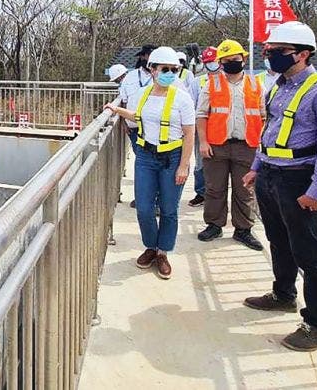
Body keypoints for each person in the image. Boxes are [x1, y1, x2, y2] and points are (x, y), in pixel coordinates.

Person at [241, 21, 317, 352]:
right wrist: (256, 167)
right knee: (278, 239)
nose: (270, 56)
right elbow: (269, 130)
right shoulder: (278, 87)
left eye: (277, 52)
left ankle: (316, 323)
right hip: (272, 174)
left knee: (309, 251)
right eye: (268, 51)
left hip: (299, 178)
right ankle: (283, 293)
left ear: (303, 55)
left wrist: (315, 191)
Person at [105, 46, 195, 280]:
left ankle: (163, 252)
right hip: (146, 155)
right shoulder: (143, 94)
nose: (169, 73)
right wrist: (117, 110)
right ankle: (150, 247)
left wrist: (184, 165)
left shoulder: (182, 98)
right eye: (164, 69)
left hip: (172, 157)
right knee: (144, 207)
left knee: (168, 208)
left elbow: (189, 133)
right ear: (152, 70)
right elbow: (138, 116)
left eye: (174, 69)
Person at [196, 39, 264, 251]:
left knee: (245, 190)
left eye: (235, 59)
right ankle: (214, 225)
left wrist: (261, 145)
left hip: (247, 145)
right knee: (214, 188)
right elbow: (201, 115)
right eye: (225, 61)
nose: (231, 64)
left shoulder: (255, 84)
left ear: (243, 59)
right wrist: (203, 142)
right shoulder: (212, 84)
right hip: (217, 145)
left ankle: (243, 229)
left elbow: (263, 116)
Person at [118, 45, 158, 209]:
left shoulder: (163, 78)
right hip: (134, 127)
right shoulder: (131, 77)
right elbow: (123, 100)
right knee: (143, 165)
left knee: (157, 165)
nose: (147, 60)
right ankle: (143, 198)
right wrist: (123, 122)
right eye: (145, 56)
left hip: (157, 129)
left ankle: (156, 201)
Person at [189, 46, 220, 207]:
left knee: (220, 165)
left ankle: (217, 196)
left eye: (214, 61)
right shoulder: (198, 82)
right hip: (202, 129)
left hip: (222, 129)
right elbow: (191, 104)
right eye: (208, 62)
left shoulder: (229, 80)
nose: (212, 64)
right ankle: (201, 192)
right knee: (201, 163)